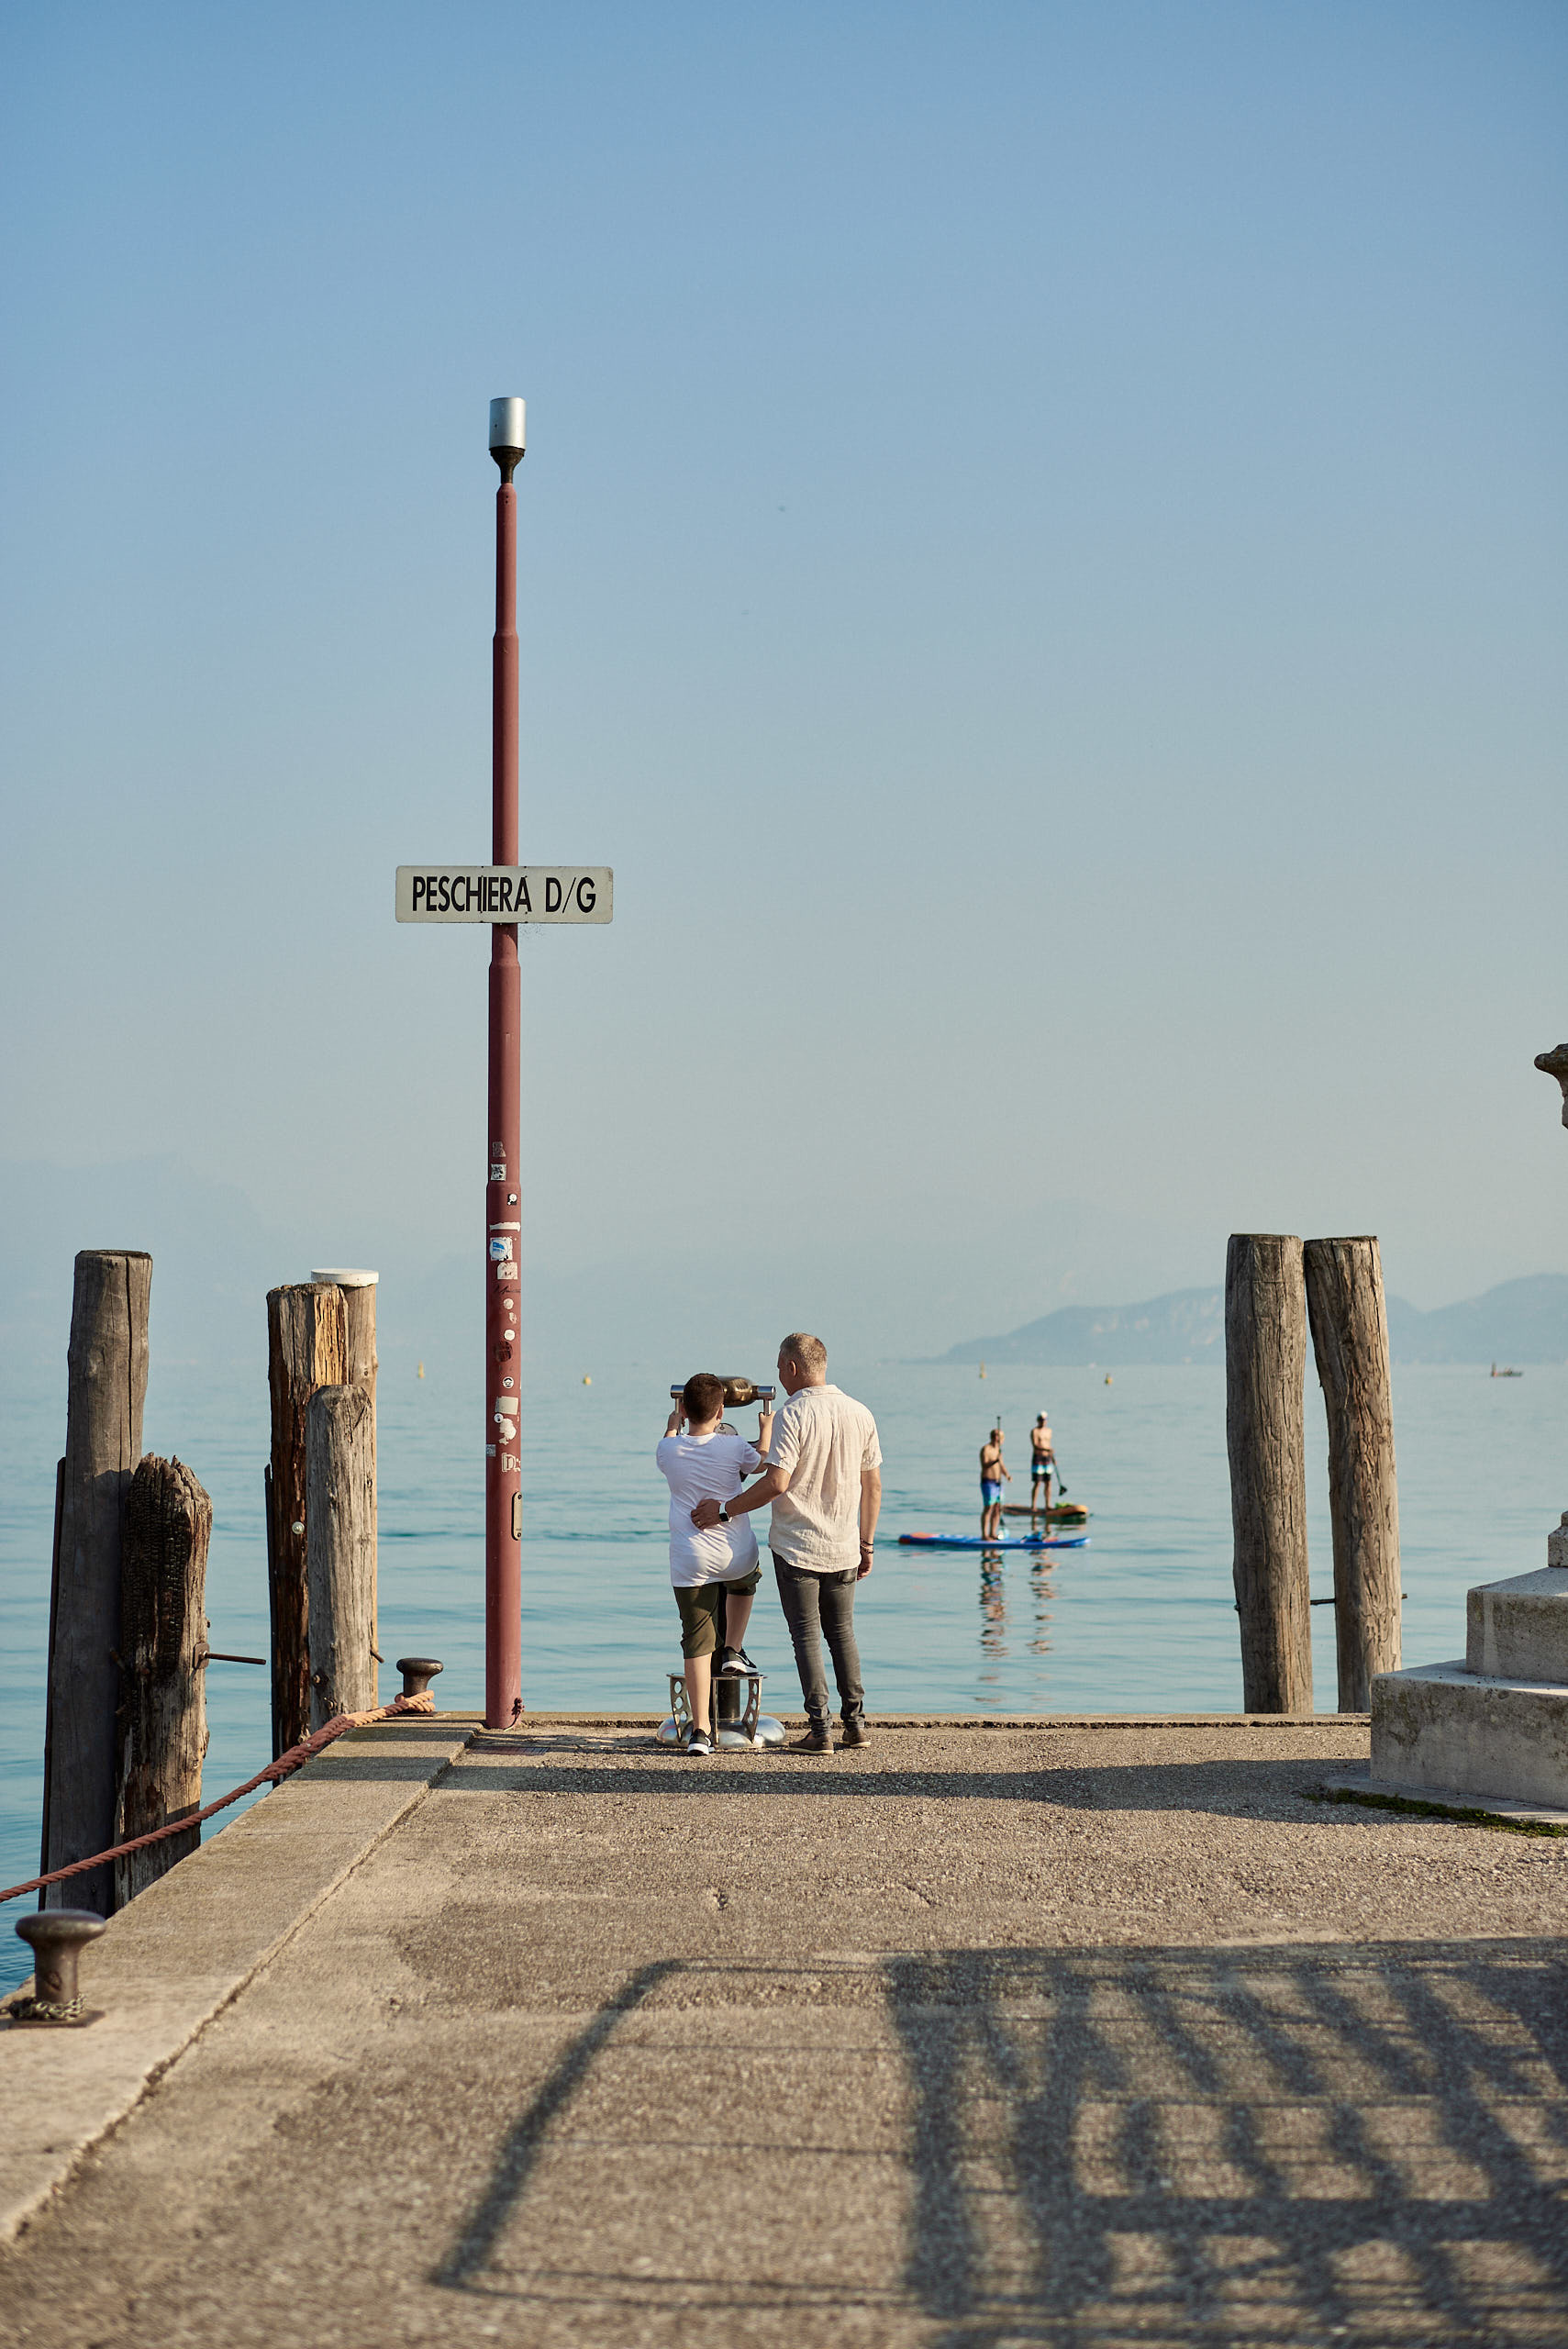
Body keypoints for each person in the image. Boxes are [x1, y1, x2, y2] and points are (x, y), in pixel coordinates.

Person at [692, 1331, 881, 1753]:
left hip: (798, 1546)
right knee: (843, 1633)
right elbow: (874, 1486)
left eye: (780, 1368)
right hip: (845, 1544)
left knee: (807, 1636)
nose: (779, 1376)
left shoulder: (792, 1416)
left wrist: (725, 1510)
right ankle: (856, 1724)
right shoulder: (860, 1413)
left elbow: (776, 1482)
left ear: (792, 1368)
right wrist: (867, 1544)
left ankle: (821, 1730)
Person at [656, 1373, 773, 1757]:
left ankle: (701, 1731)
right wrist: (767, 1425)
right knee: (746, 1579)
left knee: (695, 1639)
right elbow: (761, 1463)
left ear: (685, 1409)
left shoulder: (667, 1451)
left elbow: (672, 1441)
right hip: (734, 1553)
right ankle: (734, 1649)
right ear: (721, 1410)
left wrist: (672, 1425)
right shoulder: (734, 1445)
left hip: (691, 1558)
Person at [980, 1425, 1010, 1541]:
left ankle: (992, 1533)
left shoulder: (998, 1450)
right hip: (988, 1482)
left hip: (998, 1483)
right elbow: (985, 1465)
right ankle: (984, 1534)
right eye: (999, 1437)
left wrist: (1007, 1474)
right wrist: (995, 1460)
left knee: (998, 1508)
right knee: (988, 1508)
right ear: (993, 1437)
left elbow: (1001, 1465)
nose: (1000, 1440)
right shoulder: (986, 1449)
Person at [1029, 1411, 1054, 1528]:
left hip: (1047, 1458)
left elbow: (1049, 1444)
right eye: (1041, 1419)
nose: (1043, 1421)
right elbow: (1035, 1444)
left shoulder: (1049, 1431)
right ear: (1038, 1420)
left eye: (1044, 1419)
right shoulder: (1035, 1431)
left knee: (1048, 1482)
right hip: (1038, 1457)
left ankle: (1047, 1505)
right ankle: (1033, 1505)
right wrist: (1046, 1449)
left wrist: (1052, 1457)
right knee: (1038, 1482)